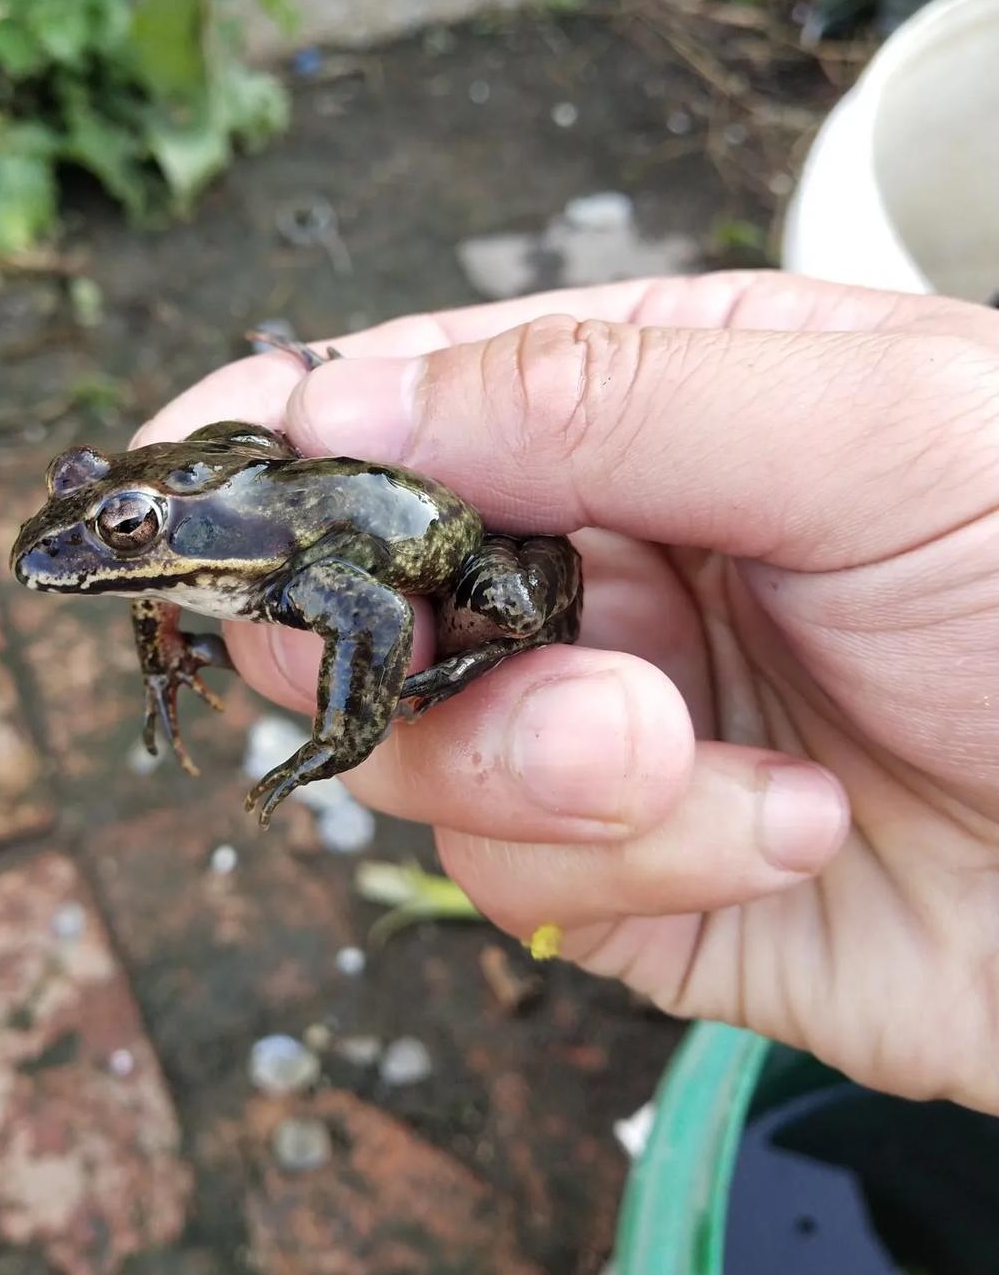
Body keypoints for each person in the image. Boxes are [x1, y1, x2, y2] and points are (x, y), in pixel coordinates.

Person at [134, 271, 999, 1115]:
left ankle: (475, 652)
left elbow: (378, 626)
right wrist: (165, 654)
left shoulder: (293, 573)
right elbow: (157, 581)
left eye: (128, 528)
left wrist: (336, 741)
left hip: (483, 548)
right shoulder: (218, 557)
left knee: (501, 611)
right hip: (374, 517)